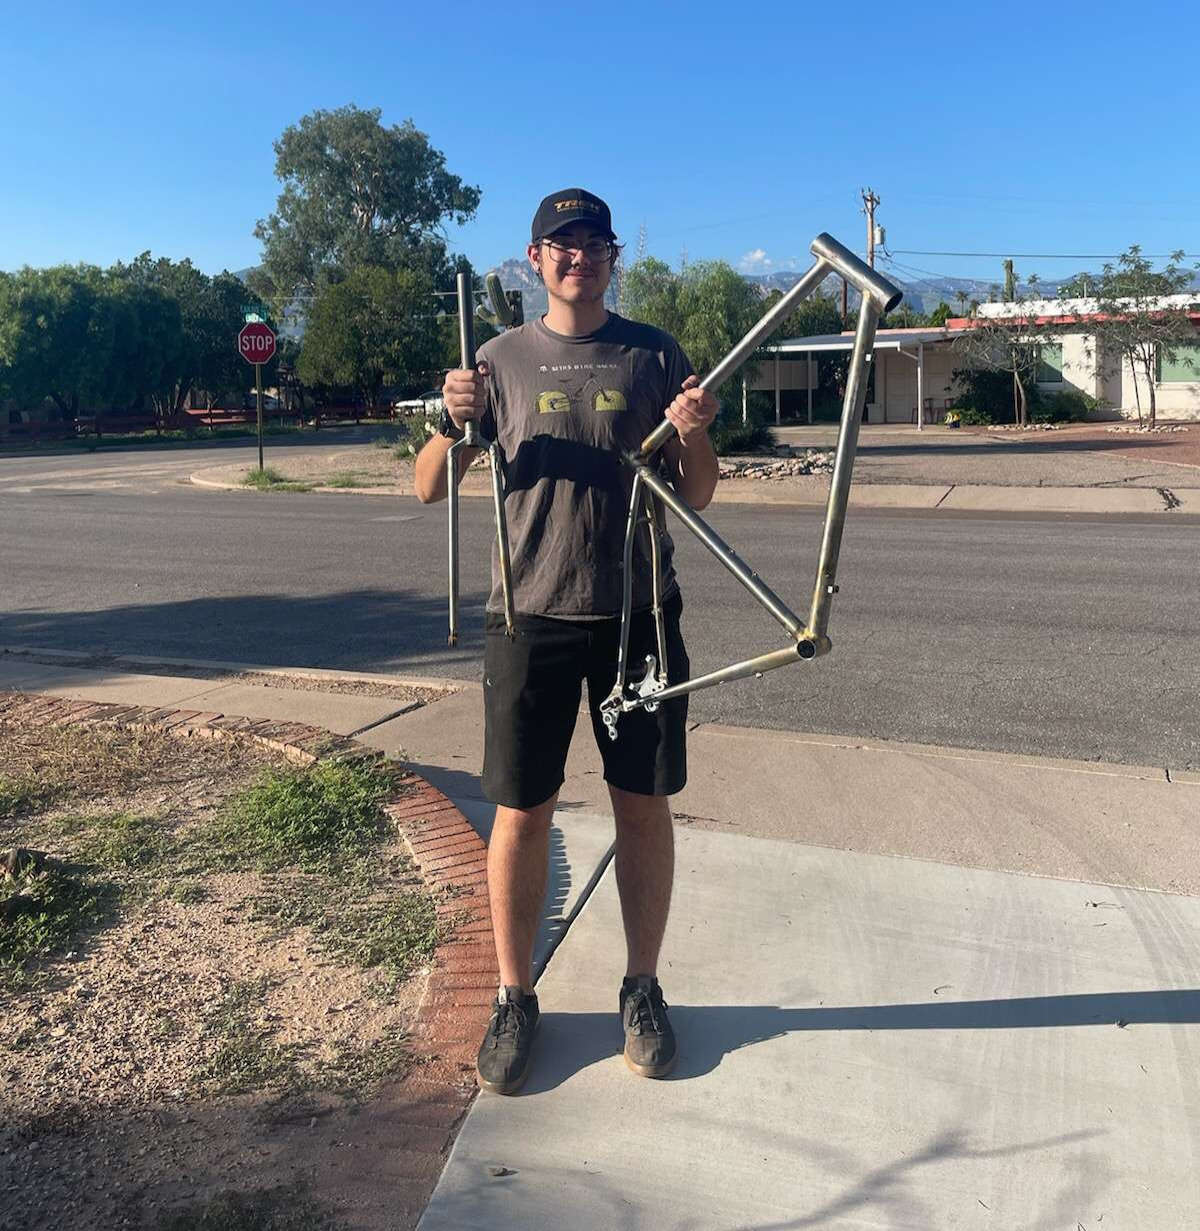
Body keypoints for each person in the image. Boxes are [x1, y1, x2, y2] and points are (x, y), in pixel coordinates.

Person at [414, 188, 718, 1094]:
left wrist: (695, 433)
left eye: (594, 242)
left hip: (639, 617)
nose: (579, 256)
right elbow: (428, 486)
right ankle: (515, 997)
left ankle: (642, 986)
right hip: (529, 617)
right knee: (522, 811)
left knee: (643, 805)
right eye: (563, 243)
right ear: (535, 258)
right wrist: (449, 421)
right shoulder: (496, 361)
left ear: (613, 257)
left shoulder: (654, 353)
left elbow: (698, 491)